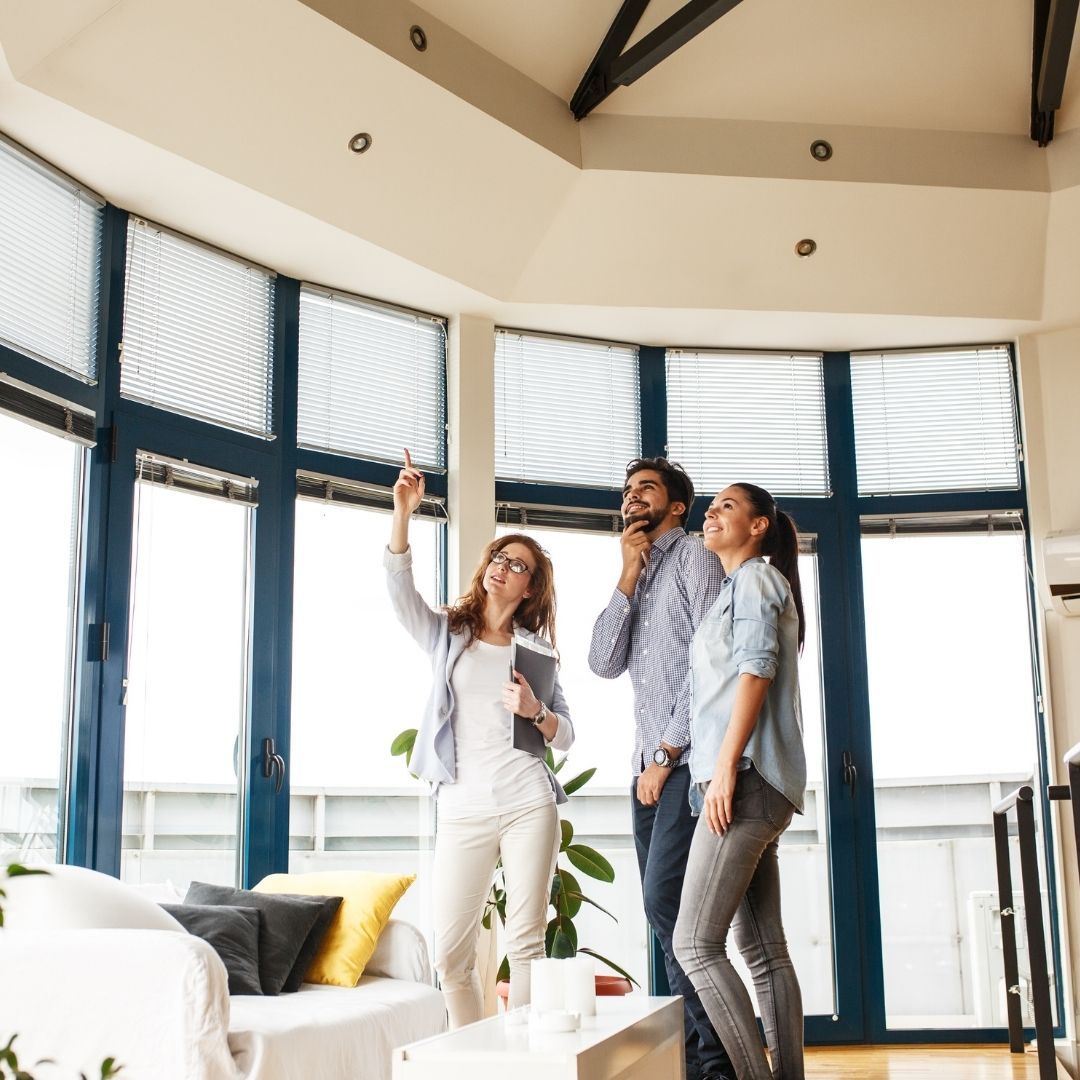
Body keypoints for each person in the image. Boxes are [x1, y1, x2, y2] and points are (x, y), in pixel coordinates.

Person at [385, 449, 574, 1028]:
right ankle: (474, 1057)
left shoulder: (536, 650)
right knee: (450, 953)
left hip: (526, 803)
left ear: (531, 585)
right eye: (499, 556)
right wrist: (403, 514)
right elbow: (400, 595)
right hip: (463, 807)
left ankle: (523, 1064)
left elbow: (565, 734)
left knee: (526, 945)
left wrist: (535, 709)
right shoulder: (449, 631)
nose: (502, 566)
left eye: (517, 564)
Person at [588, 457, 733, 1080]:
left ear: (676, 505)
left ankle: (717, 1061)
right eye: (626, 490)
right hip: (645, 768)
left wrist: (666, 754)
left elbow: (711, 661)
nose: (630, 498)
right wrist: (626, 572)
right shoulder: (640, 571)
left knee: (670, 907)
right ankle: (708, 1055)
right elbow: (601, 662)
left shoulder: (694, 556)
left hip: (681, 762)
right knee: (667, 914)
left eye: (644, 488)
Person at [672, 483, 807, 1080]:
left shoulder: (755, 578)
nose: (712, 513)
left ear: (758, 526)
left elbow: (756, 669)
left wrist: (725, 767)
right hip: (758, 782)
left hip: (745, 779)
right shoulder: (740, 587)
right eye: (712, 506)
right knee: (762, 949)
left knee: (694, 945)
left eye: (727, 506)